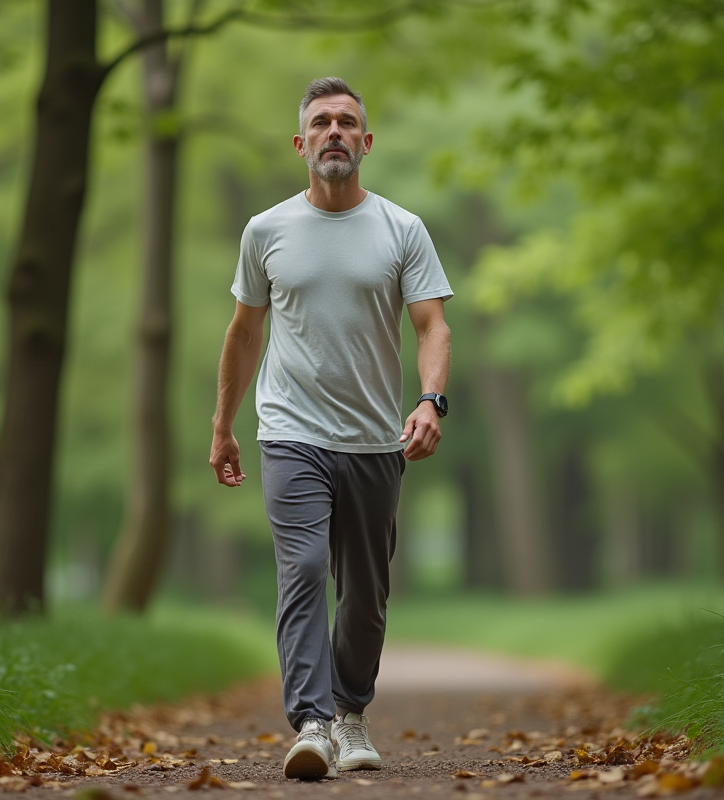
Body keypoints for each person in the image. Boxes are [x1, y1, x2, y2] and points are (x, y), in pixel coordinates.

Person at [209, 76, 452, 780]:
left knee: (366, 595)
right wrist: (224, 425)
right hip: (290, 432)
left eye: (347, 122)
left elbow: (433, 324)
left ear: (367, 142)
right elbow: (244, 333)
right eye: (321, 123)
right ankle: (312, 723)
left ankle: (351, 715)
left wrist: (431, 400)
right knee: (305, 568)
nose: (335, 132)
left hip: (376, 438)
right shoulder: (266, 231)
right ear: (300, 143)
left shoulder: (401, 229)